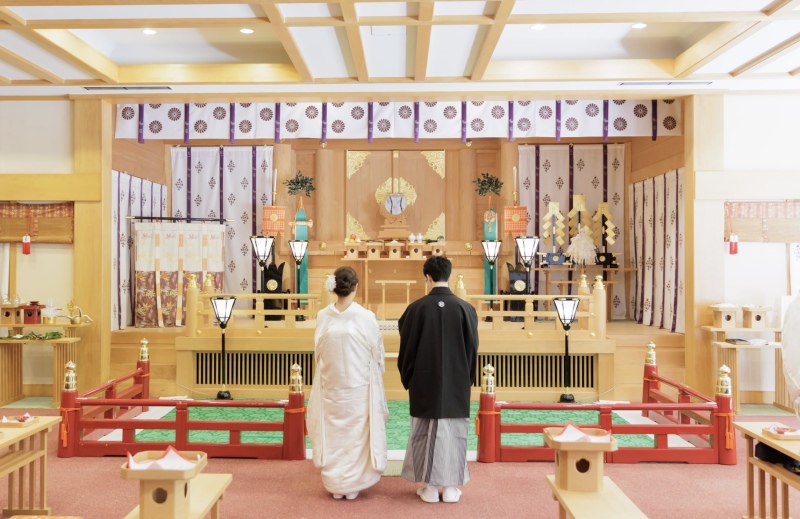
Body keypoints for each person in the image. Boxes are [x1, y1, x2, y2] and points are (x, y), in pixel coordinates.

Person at [397, 255, 479, 503]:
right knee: (454, 432)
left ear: (427, 277)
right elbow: (472, 348)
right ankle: (451, 488)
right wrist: (467, 377)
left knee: (425, 430)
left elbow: (407, 349)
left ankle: (431, 488)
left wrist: (408, 375)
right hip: (456, 382)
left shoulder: (416, 309)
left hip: (424, 381)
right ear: (450, 276)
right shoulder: (466, 309)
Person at [307, 266, 389, 500]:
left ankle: (335, 483)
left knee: (334, 433)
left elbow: (318, 352)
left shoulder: (323, 315)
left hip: (331, 384)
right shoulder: (366, 316)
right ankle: (351, 484)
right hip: (358, 386)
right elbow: (377, 352)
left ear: (336, 288)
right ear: (355, 287)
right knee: (354, 435)